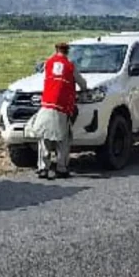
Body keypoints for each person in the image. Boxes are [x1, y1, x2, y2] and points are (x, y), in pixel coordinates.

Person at [26, 42, 88, 179]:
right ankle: (61, 168)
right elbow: (82, 84)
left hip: (46, 105)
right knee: (63, 139)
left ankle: (43, 168)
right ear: (67, 51)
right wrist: (83, 90)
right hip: (62, 107)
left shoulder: (48, 63)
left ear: (56, 50)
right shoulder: (70, 66)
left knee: (44, 138)